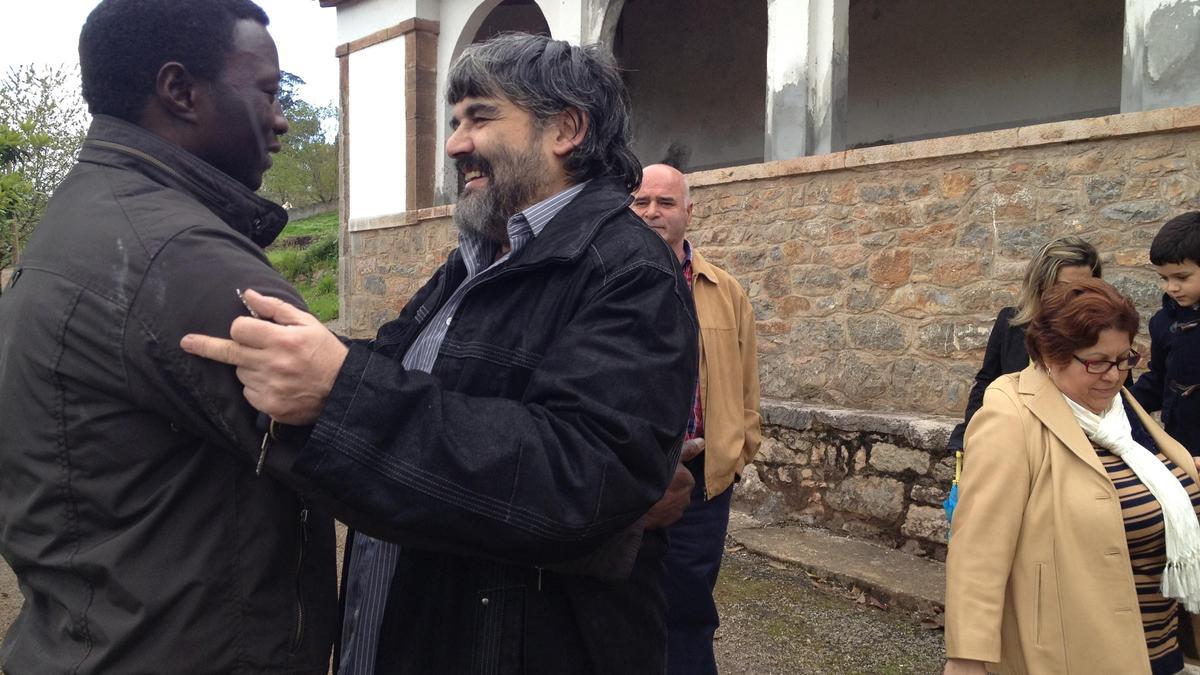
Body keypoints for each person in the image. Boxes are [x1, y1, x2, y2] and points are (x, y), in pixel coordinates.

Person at [181, 33, 698, 673]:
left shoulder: (628, 271)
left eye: (480, 118)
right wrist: (295, 359)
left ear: (566, 129)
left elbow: (579, 479)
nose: (455, 144)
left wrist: (339, 390)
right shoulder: (473, 262)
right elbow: (394, 374)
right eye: (454, 122)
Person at [0, 1, 337, 672]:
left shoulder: (80, 220)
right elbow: (366, 451)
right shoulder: (182, 259)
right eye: (266, 91)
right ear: (181, 91)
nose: (280, 119)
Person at [943, 278, 1200, 674]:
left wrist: (1183, 477)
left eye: (1124, 359)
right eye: (1097, 361)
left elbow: (1141, 479)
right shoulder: (1011, 415)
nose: (1115, 375)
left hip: (1163, 651)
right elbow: (979, 549)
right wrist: (966, 659)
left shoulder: (1116, 405)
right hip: (1075, 654)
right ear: (1051, 354)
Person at [631, 163, 761, 674]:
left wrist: (735, 448)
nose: (651, 213)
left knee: (688, 614)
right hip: (628, 480)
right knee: (618, 609)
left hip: (702, 486)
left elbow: (747, 380)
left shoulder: (723, 290)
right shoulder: (606, 279)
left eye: (664, 203)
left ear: (689, 210)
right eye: (641, 202)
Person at [946, 236, 1102, 454]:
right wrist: (972, 433)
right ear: (1040, 285)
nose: (1071, 297)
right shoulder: (1011, 322)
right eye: (1061, 287)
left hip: (1074, 450)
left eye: (1082, 289)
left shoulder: (1100, 334)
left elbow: (1118, 396)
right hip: (1011, 446)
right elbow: (987, 382)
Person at [1131, 212, 1200, 460]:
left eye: (1182, 277)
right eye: (1164, 278)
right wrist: (1123, 403)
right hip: (1181, 449)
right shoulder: (1163, 323)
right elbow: (1160, 379)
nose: (1171, 287)